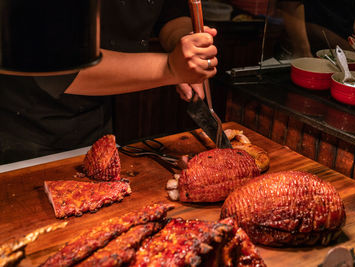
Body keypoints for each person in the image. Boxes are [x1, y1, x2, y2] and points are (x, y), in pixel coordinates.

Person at [0, 0, 218, 164]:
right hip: (26, 130)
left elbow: (169, 13)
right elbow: (56, 62)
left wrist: (187, 43)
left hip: (95, 119)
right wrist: (171, 68)